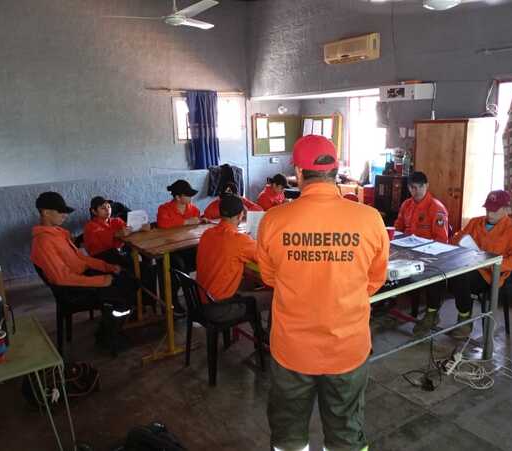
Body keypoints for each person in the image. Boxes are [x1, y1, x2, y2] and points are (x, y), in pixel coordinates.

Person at [257, 135, 389, 451]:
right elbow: (375, 280)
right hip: (347, 348)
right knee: (346, 434)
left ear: (299, 174)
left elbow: (269, 278)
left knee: (288, 435)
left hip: (292, 350)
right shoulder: (370, 219)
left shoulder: (273, 220)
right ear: (337, 169)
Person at [30, 192, 135, 348]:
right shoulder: (43, 241)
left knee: (127, 278)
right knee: (125, 288)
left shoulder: (58, 234)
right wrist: (102, 280)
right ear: (45, 212)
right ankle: (107, 337)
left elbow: (82, 259)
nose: (65, 215)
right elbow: (62, 278)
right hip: (71, 291)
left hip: (81, 278)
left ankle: (110, 327)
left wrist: (109, 267)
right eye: (60, 211)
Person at [447, 190, 512, 338]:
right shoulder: (475, 222)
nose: (489, 214)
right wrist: (460, 241)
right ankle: (436, 313)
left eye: (494, 210)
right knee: (449, 272)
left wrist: (494, 264)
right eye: (487, 209)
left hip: (491, 275)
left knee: (460, 277)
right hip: (470, 266)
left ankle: (464, 320)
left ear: (506, 210)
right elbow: (455, 240)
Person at [394, 171, 451, 337]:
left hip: (428, 254)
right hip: (405, 251)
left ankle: (432, 313)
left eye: (419, 187)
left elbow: (441, 240)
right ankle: (387, 307)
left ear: (426, 186)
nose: (415, 191)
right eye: (412, 187)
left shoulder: (436, 208)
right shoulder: (406, 205)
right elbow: (398, 227)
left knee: (434, 273)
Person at [196, 194, 267, 325]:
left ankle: (259, 333)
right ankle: (266, 340)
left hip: (200, 301)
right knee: (274, 296)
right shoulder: (240, 240)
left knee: (249, 283)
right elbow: (266, 258)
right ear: (241, 215)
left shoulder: (207, 234)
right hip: (220, 309)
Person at [156, 180, 203, 315]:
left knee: (205, 258)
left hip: (187, 246)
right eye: (187, 195)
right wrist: (186, 222)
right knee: (178, 266)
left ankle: (198, 299)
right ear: (177, 197)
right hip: (170, 248)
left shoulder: (193, 209)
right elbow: (163, 223)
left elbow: (198, 222)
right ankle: (172, 301)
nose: (190, 198)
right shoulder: (164, 209)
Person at [83, 196, 150, 267]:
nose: (107, 210)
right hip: (102, 258)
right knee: (140, 268)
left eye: (109, 207)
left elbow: (129, 229)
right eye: (103, 208)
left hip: (119, 252)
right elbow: (113, 235)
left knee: (146, 253)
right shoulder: (90, 226)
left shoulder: (116, 221)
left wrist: (141, 227)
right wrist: (122, 232)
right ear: (94, 211)